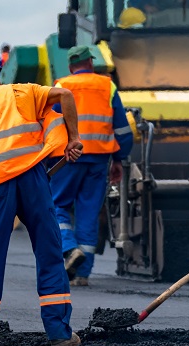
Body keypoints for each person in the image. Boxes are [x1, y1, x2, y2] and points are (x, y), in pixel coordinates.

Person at [0, 60, 85, 346]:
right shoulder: (24, 92)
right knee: (50, 253)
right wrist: (74, 138)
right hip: (34, 178)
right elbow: (65, 95)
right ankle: (60, 335)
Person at [51, 45, 134, 286]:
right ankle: (82, 274)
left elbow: (51, 125)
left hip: (67, 158)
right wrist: (119, 159)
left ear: (70, 66)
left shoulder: (61, 85)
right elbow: (122, 130)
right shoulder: (107, 86)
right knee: (88, 214)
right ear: (90, 62)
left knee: (56, 205)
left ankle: (69, 249)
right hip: (99, 159)